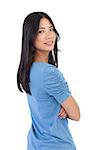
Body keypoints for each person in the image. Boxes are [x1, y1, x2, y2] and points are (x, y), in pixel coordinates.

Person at [17, 12, 80, 150]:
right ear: (31, 37)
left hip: (35, 144)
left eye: (51, 29)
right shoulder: (49, 73)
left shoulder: (28, 70)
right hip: (57, 145)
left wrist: (63, 105)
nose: (49, 35)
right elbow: (75, 114)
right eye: (41, 31)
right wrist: (65, 106)